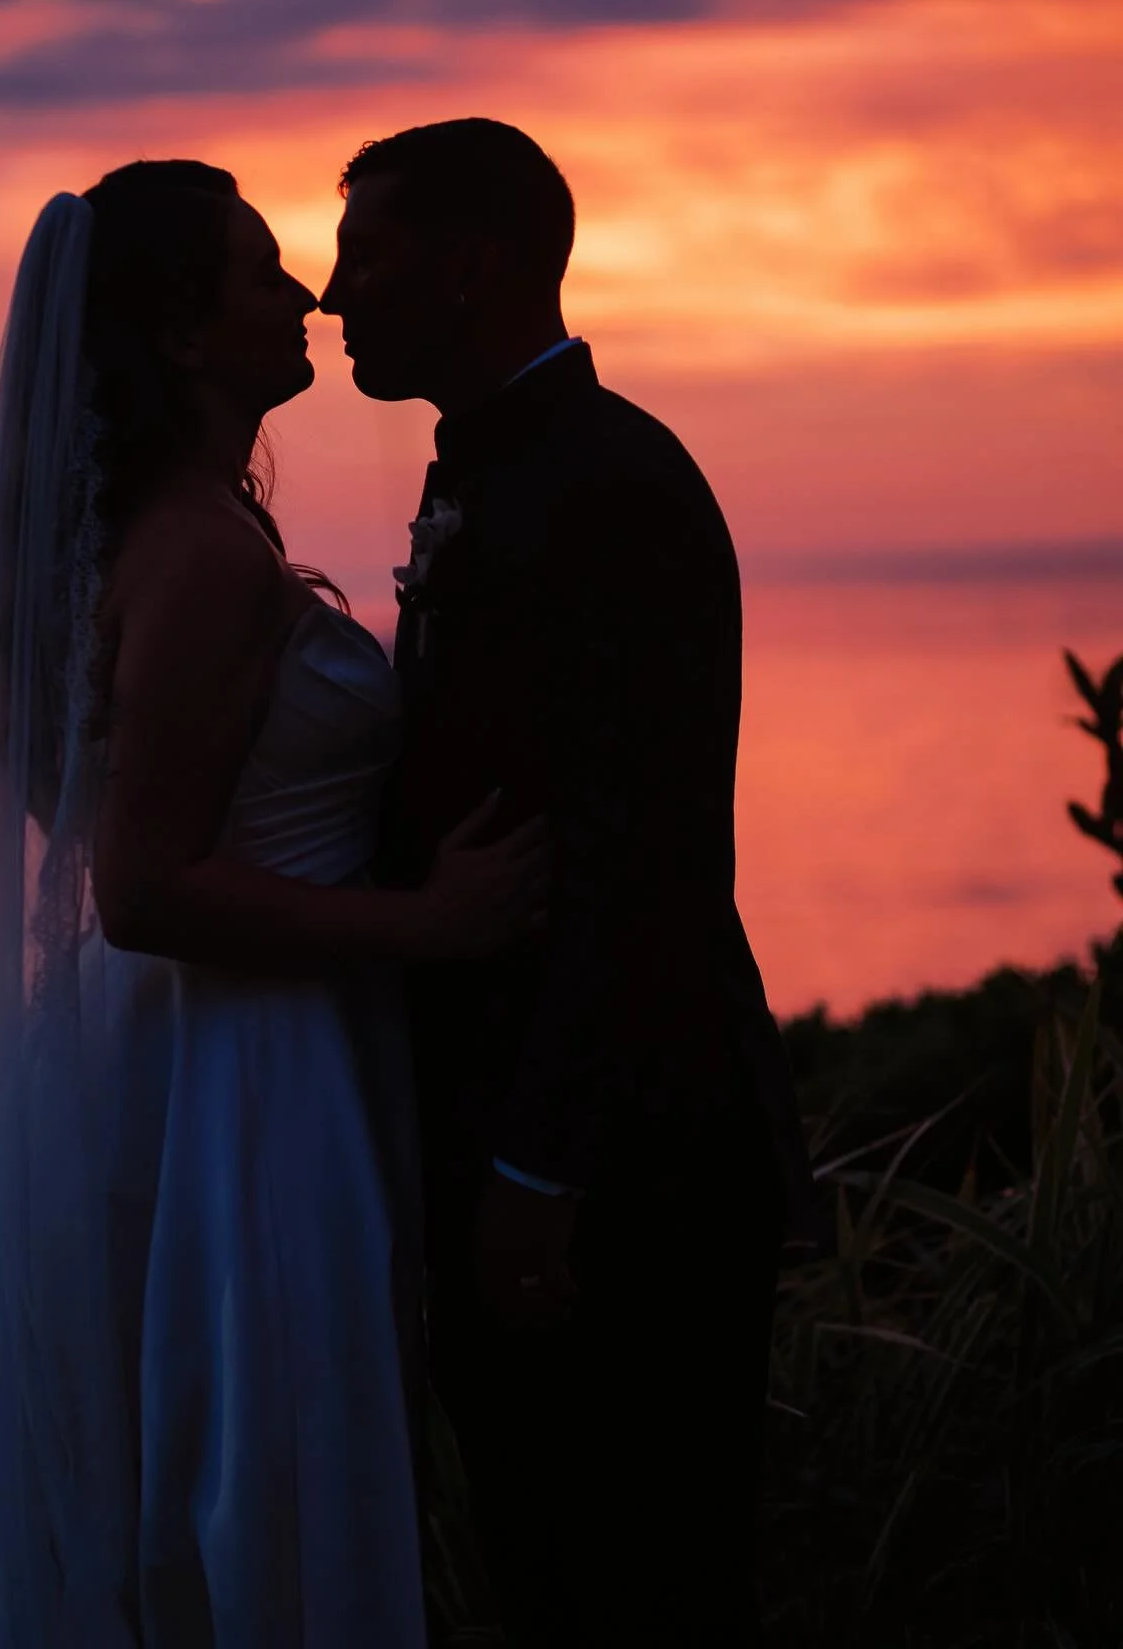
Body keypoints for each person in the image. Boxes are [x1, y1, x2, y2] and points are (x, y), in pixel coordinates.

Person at [0, 158, 545, 1649]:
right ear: (183, 335)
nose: (303, 291)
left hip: (177, 1060)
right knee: (268, 1484)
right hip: (250, 1086)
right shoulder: (195, 559)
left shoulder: (172, 541)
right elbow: (143, 887)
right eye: (260, 273)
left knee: (198, 1477)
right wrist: (424, 924)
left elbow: (90, 803)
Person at [321, 118, 820, 1647]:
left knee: (642, 1586)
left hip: (627, 1167)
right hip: (521, 1138)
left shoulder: (613, 486)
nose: (333, 297)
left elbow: (649, 863)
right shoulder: (499, 468)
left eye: (367, 255)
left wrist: (541, 1172)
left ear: (469, 269)